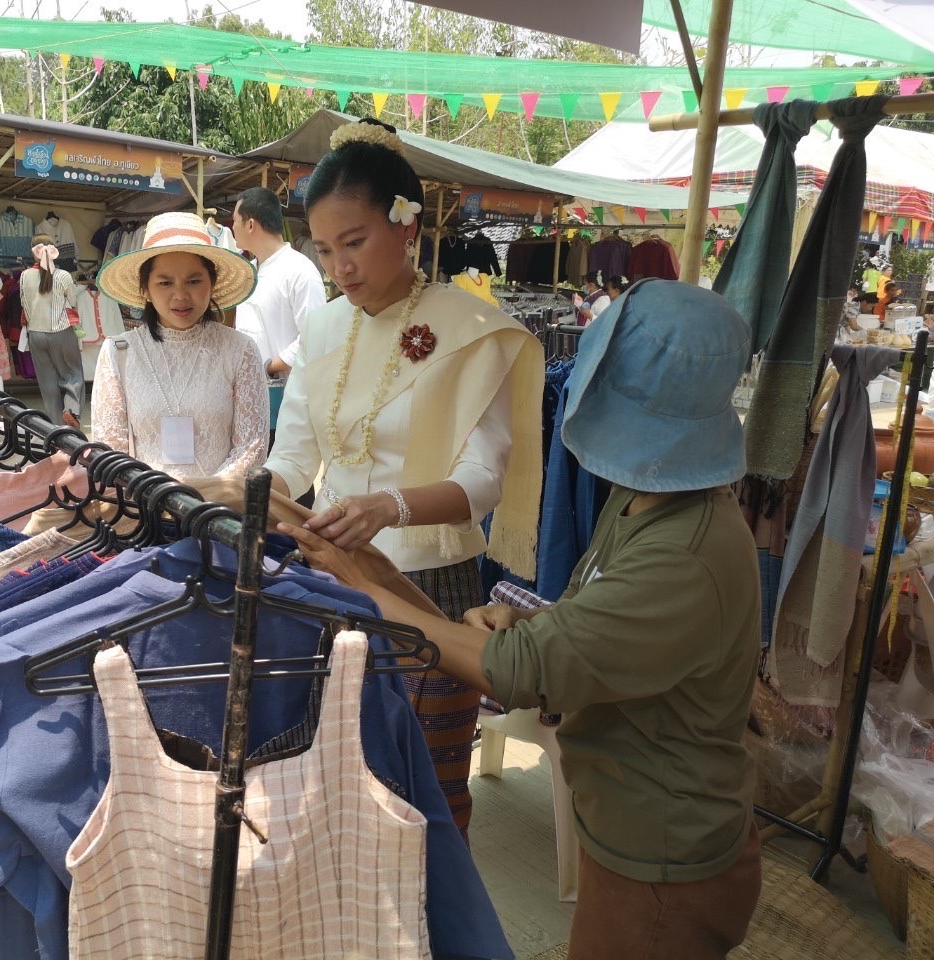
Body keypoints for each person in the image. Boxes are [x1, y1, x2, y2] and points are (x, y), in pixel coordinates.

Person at [280, 279, 761, 960]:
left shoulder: (684, 548)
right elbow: (598, 626)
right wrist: (523, 615)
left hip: (661, 855)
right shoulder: (648, 503)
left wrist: (366, 584)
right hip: (637, 832)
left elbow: (522, 673)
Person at [264, 117, 543, 835]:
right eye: (324, 250)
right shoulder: (322, 329)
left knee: (425, 789)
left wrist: (389, 506)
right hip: (326, 568)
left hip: (430, 583)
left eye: (353, 243)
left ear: (407, 227)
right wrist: (258, 494)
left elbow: (483, 480)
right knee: (328, 774)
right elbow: (294, 455)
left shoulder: (470, 328)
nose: (339, 269)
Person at [91, 211, 268, 480]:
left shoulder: (239, 350)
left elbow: (251, 450)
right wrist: (156, 500)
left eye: (194, 281)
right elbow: (110, 450)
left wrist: (199, 501)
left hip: (217, 514)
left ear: (212, 283)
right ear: (146, 290)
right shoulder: (118, 353)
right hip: (142, 512)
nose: (181, 295)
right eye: (164, 283)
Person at [231, 187, 327, 383]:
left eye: (234, 220)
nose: (232, 227)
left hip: (287, 394)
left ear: (250, 225)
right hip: (249, 390)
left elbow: (315, 336)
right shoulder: (247, 273)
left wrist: (270, 368)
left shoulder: (301, 272)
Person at [20, 233, 85, 429]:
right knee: (72, 374)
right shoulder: (63, 276)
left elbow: (24, 305)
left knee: (47, 383)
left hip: (36, 334)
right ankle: (71, 410)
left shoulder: (25, 275)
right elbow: (72, 302)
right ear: (54, 250)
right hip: (61, 332)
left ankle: (57, 429)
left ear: (33, 251)